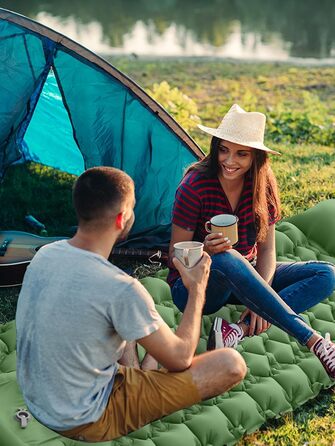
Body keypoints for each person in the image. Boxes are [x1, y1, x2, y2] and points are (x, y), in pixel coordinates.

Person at [16, 166, 247, 442]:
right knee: (231, 363)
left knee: (130, 321)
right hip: (85, 418)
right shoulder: (121, 288)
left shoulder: (45, 254)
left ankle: (141, 374)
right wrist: (197, 289)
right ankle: (143, 378)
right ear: (122, 219)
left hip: (39, 397)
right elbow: (181, 358)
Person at [167, 104, 335, 379]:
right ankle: (316, 342)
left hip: (245, 273)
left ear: (255, 157)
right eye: (223, 150)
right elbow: (175, 253)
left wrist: (262, 292)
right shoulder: (195, 185)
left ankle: (236, 331)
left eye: (241, 154)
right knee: (226, 257)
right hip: (194, 286)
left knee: (325, 274)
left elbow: (267, 248)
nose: (229, 160)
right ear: (215, 147)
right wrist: (207, 251)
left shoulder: (262, 184)